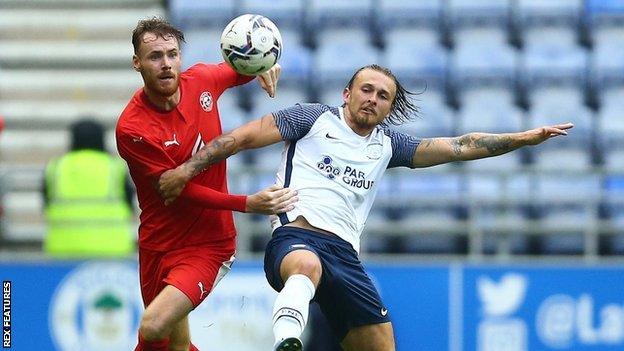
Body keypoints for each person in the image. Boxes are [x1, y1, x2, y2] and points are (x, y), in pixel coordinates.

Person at [157, 64, 573, 351]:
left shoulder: (389, 146)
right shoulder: (311, 119)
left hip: (347, 257)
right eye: (366, 89)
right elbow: (240, 138)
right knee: (306, 268)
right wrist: (188, 169)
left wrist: (523, 138)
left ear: (390, 108)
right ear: (347, 93)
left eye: (383, 96)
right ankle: (287, 337)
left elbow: (460, 146)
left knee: (380, 345)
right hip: (295, 237)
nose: (373, 99)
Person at [115, 17, 297, 351]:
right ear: (137, 63)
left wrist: (265, 65)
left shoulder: (201, 80)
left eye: (172, 54)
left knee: (153, 326)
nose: (166, 64)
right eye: (155, 56)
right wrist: (247, 203)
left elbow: (239, 68)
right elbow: (177, 191)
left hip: (208, 244)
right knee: (171, 345)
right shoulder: (133, 128)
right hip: (159, 244)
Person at [43, 118, 135, 257]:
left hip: (63, 250)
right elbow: (130, 204)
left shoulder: (56, 167)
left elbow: (46, 204)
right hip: (112, 250)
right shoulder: (115, 167)